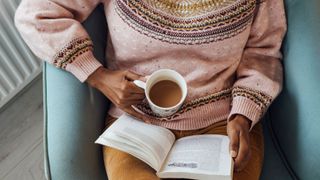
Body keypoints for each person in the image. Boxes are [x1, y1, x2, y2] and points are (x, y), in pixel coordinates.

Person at [15, 0, 286, 179]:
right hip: (135, 123)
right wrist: (98, 76)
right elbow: (35, 15)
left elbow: (263, 52)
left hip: (223, 123)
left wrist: (244, 114)